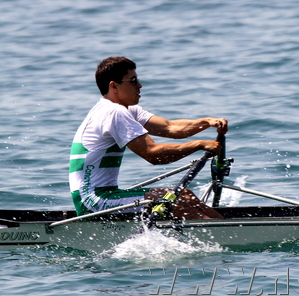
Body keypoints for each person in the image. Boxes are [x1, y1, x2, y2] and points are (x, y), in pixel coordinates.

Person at [69, 57, 227, 219]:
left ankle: (225, 229)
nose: (140, 85)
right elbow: (153, 154)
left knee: (185, 195)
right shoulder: (114, 113)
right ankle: (225, 238)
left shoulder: (127, 111)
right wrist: (199, 144)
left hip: (108, 194)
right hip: (93, 201)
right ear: (114, 86)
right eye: (133, 81)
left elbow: (170, 127)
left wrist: (207, 122)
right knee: (176, 202)